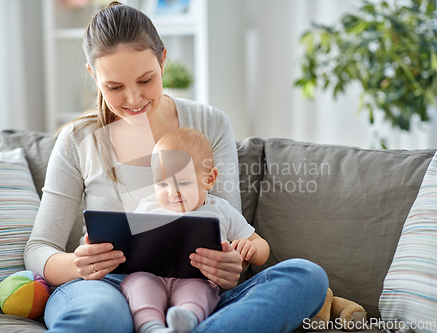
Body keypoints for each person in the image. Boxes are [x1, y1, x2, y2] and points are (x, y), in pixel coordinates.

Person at [24, 2, 329, 332]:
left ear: (163, 61)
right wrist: (78, 265)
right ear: (93, 76)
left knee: (306, 275)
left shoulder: (208, 124)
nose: (133, 98)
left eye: (145, 79)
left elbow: (226, 222)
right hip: (106, 287)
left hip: (197, 292)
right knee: (99, 317)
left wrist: (230, 266)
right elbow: (39, 248)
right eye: (114, 87)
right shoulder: (77, 140)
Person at [121, 128, 270, 333]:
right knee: (138, 285)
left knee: (199, 292)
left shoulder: (221, 209)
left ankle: (186, 322)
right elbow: (126, 243)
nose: (173, 192)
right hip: (151, 276)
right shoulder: (148, 208)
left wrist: (250, 247)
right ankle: (151, 327)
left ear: (209, 179)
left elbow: (262, 247)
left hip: (197, 279)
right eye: (162, 183)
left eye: (184, 182)